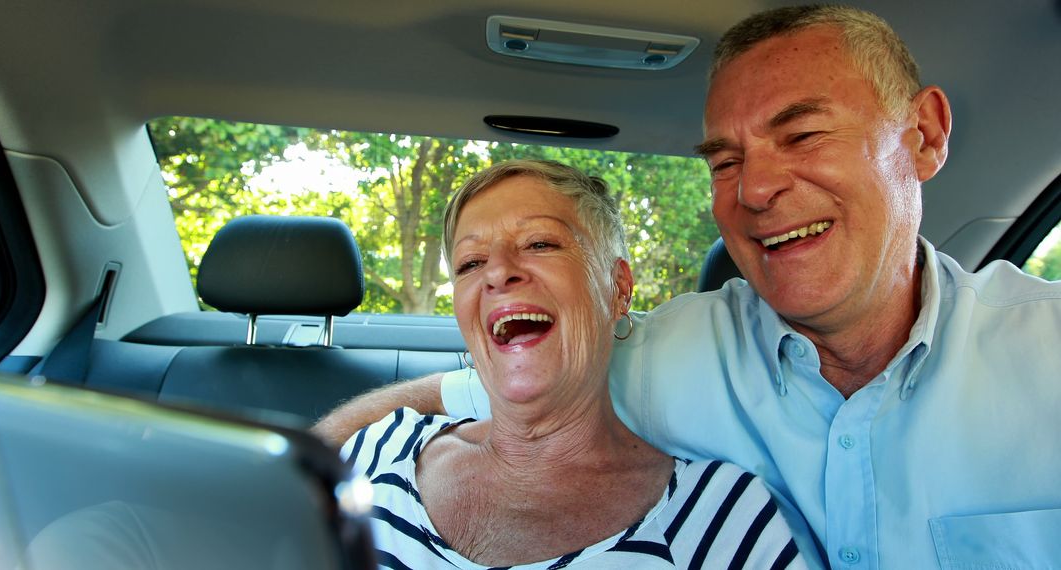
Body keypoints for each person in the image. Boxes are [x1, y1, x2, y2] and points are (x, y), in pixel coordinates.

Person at [316, 6, 1061, 568]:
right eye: (725, 161)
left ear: (924, 136)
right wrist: (292, 466)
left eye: (801, 135)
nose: (757, 189)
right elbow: (495, 392)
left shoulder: (1048, 357)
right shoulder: (665, 350)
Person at [341, 159, 818, 568]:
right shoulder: (380, 447)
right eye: (470, 263)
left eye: (540, 243)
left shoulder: (724, 515)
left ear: (617, 290)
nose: (498, 271)